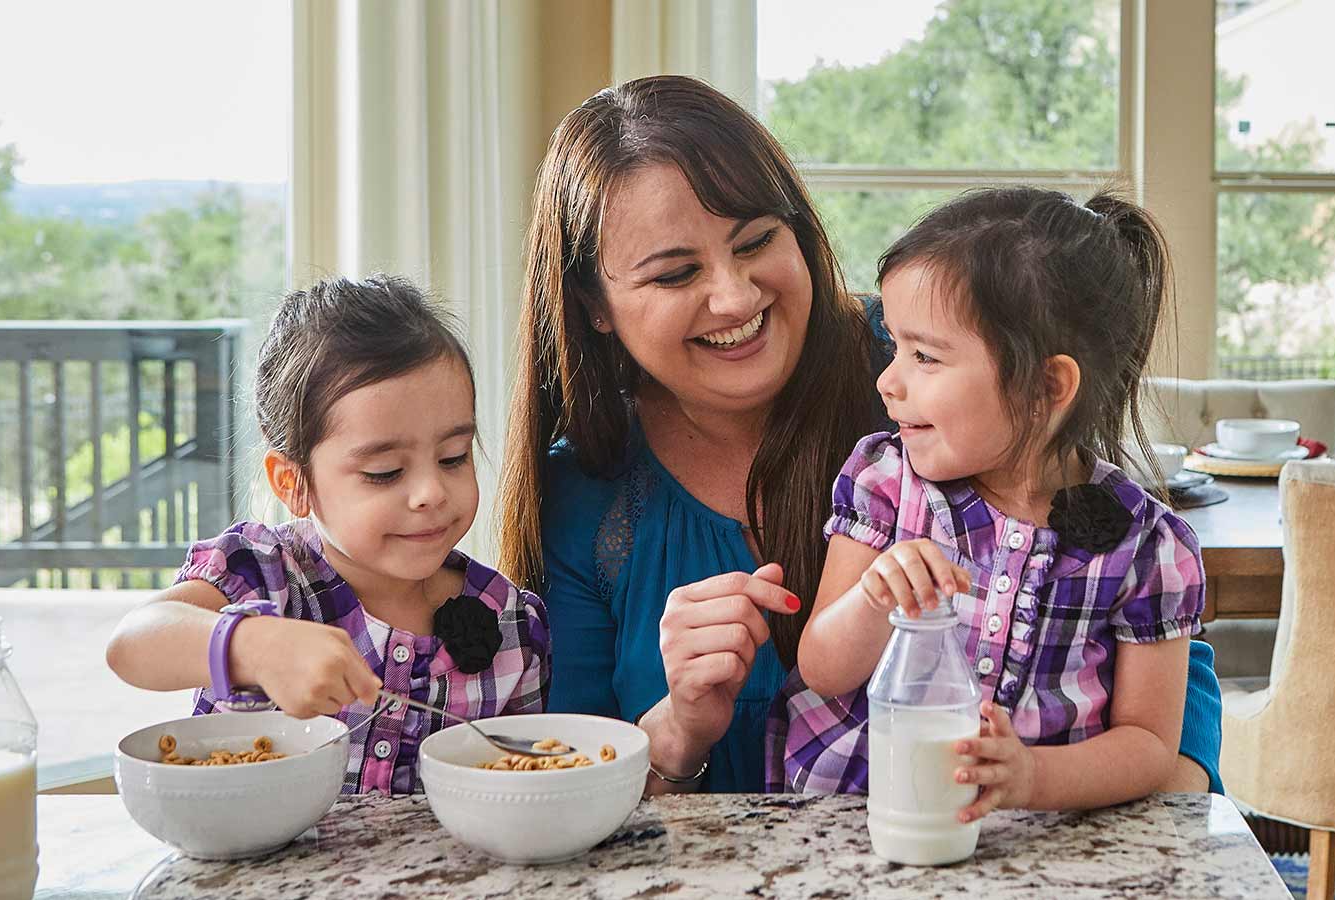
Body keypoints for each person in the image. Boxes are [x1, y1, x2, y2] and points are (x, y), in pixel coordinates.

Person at [496, 74, 1223, 796]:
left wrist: (1131, 785)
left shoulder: (926, 373)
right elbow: (569, 787)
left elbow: (1162, 682)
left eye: (756, 242)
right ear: (594, 304)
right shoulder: (587, 493)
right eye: (677, 273)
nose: (736, 296)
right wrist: (680, 729)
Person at [778, 187, 1203, 823]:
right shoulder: (885, 482)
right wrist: (872, 598)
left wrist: (1033, 775)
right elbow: (822, 670)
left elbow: (1148, 745)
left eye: (924, 356)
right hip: (865, 818)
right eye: (894, 346)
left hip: (1042, 843)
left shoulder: (1148, 548)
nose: (887, 381)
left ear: (1046, 386)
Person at [106, 275, 549, 795]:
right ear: (293, 482)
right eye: (385, 471)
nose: (431, 491)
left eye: (453, 458)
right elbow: (132, 644)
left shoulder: (511, 624)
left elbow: (528, 784)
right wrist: (252, 646)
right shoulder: (262, 577)